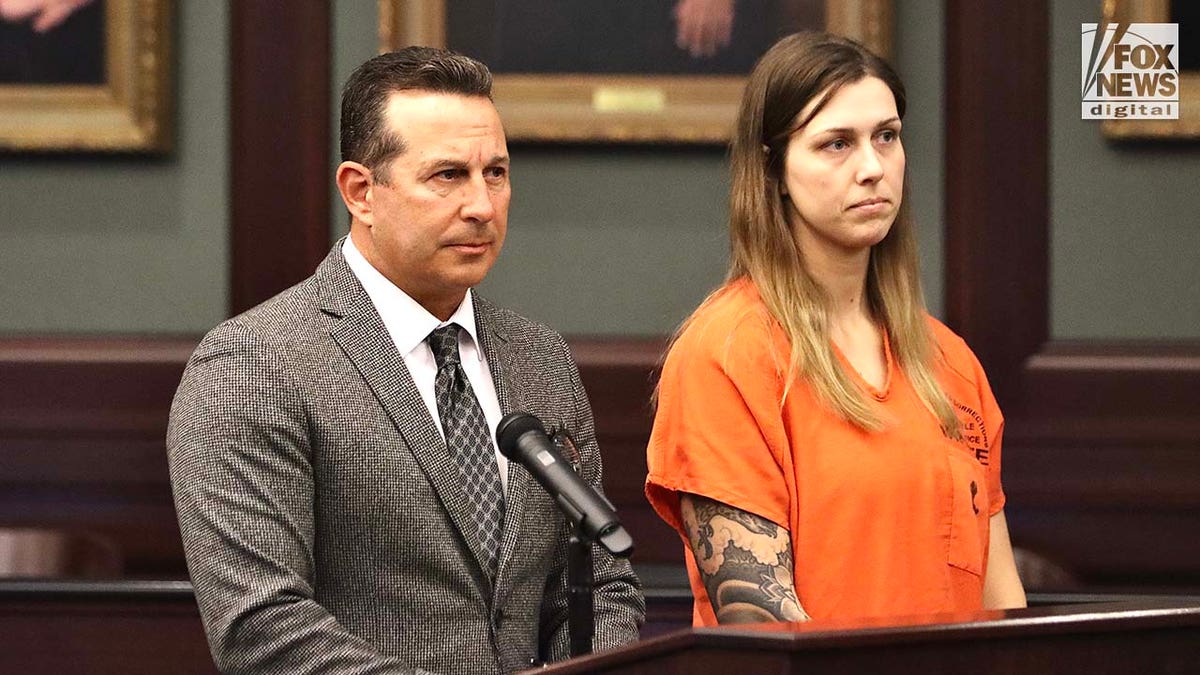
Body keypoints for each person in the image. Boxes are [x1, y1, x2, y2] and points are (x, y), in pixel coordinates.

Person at [167, 47, 643, 674]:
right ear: (361, 192)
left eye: (495, 173)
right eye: (448, 175)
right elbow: (263, 629)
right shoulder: (252, 367)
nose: (481, 206)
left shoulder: (539, 359)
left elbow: (601, 588)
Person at [645, 32, 1026, 626]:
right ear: (773, 170)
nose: (873, 168)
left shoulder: (950, 361)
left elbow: (1004, 607)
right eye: (836, 144)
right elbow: (763, 628)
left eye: (887, 137)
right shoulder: (727, 352)